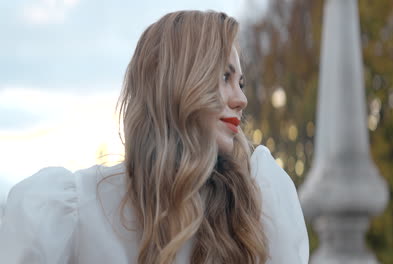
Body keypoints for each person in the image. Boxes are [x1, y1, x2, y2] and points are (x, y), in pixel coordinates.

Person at [0, 10, 309, 264]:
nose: (241, 99)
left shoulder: (257, 205)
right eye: (225, 77)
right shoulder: (73, 210)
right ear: (180, 81)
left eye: (240, 82)